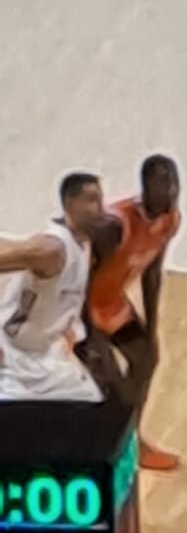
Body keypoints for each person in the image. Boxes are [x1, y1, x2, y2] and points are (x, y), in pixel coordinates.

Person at [85, 155, 183, 471]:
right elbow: (78, 283)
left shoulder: (169, 220)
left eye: (175, 185)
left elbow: (152, 273)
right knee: (112, 385)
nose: (172, 194)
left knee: (146, 359)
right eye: (164, 187)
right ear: (146, 189)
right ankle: (105, 451)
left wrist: (151, 329)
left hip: (110, 303)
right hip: (76, 310)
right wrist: (93, 340)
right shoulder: (114, 227)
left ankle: (132, 441)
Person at [0, 173, 107, 403]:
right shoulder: (51, 249)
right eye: (92, 200)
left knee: (91, 402)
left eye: (101, 200)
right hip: (12, 358)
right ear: (70, 204)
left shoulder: (82, 244)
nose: (101, 208)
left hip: (47, 358)